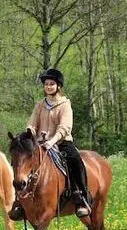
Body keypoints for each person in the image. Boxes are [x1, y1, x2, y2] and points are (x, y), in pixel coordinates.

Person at [9, 68, 91, 221]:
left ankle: (81, 197)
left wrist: (52, 141)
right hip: (39, 143)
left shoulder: (65, 104)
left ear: (58, 86)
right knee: (20, 161)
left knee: (75, 161)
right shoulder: (40, 104)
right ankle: (19, 202)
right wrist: (30, 132)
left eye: (51, 84)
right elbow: (32, 123)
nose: (48, 86)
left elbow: (65, 127)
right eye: (46, 84)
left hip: (61, 142)